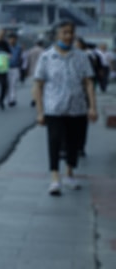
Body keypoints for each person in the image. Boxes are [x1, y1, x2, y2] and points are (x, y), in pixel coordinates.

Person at [33, 21, 97, 196]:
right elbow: (38, 85)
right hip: (54, 108)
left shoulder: (82, 57)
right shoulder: (46, 57)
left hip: (77, 108)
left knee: (73, 142)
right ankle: (55, 177)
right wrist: (40, 111)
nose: (69, 36)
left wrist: (92, 107)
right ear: (56, 35)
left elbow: (89, 83)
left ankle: (69, 172)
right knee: (54, 140)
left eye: (71, 32)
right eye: (65, 32)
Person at [27, 40, 45, 107]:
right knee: (40, 87)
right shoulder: (43, 51)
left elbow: (27, 61)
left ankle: (34, 98)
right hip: (40, 71)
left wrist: (27, 70)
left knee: (34, 86)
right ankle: (38, 99)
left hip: (32, 70)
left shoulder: (31, 51)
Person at [6, 32, 22, 107]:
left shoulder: (18, 47)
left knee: (14, 84)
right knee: (9, 84)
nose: (12, 41)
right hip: (7, 68)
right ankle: (9, 99)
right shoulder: (6, 47)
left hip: (15, 67)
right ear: (8, 40)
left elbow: (20, 57)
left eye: (14, 39)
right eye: (11, 39)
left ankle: (13, 99)